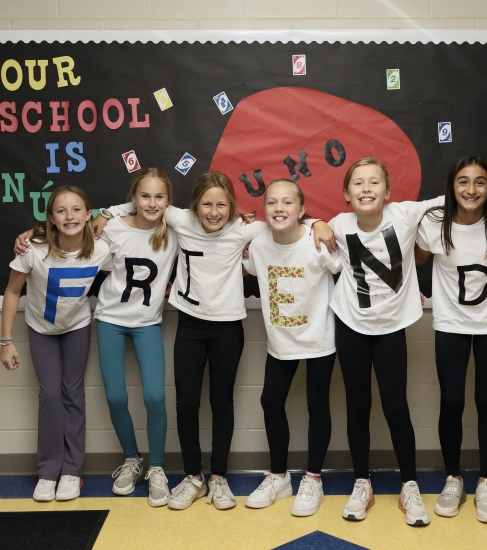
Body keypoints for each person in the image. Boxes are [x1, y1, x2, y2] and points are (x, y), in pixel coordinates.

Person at [96, 172, 333, 511]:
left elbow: (285, 218)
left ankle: (218, 478)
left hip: (227, 327)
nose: (214, 212)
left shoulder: (245, 229)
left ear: (232, 207)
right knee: (187, 403)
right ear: (194, 206)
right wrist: (105, 213)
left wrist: (319, 221)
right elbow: (145, 201)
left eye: (222, 204)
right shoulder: (179, 218)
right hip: (190, 326)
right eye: (206, 204)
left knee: (222, 403)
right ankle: (193, 476)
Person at [326, 156, 487, 527]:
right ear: (346, 194)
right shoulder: (337, 223)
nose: (366, 189)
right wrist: (314, 222)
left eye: (374, 182)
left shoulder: (408, 213)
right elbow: (304, 231)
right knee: (358, 405)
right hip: (351, 322)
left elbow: (455, 197)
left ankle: (409, 483)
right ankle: (361, 482)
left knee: (397, 407)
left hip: (394, 326)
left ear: (389, 191)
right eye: (358, 183)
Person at [415, 156, 487, 524]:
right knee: (452, 400)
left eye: (480, 182)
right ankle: (453, 477)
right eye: (463, 181)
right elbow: (420, 258)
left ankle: (486, 481)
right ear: (452, 186)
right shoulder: (434, 224)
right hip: (450, 324)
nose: (471, 189)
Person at [0, 186, 111, 502]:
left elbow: (139, 212)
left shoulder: (102, 248)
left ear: (89, 215)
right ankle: (48, 472)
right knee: (49, 394)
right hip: (41, 330)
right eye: (61, 211)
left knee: (73, 393)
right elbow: (11, 293)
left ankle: (72, 472)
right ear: (50, 218)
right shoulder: (33, 249)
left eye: (77, 209)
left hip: (77, 327)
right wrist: (5, 341)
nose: (69, 216)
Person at [241, 179, 341, 517]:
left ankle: (313, 478)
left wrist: (318, 223)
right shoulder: (257, 245)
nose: (279, 209)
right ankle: (279, 476)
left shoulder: (318, 241)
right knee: (270, 400)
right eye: (272, 203)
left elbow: (343, 273)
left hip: (319, 338)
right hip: (280, 340)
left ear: (301, 209)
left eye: (287, 203)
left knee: (317, 404)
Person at [93, 168, 179, 507]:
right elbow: (73, 241)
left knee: (156, 397)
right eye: (145, 196)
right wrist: (106, 212)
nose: (152, 203)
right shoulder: (112, 227)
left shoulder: (174, 231)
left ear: (168, 201)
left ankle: (157, 467)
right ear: (134, 197)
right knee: (115, 397)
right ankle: (132, 459)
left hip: (147, 322)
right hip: (110, 319)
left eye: (159, 196)